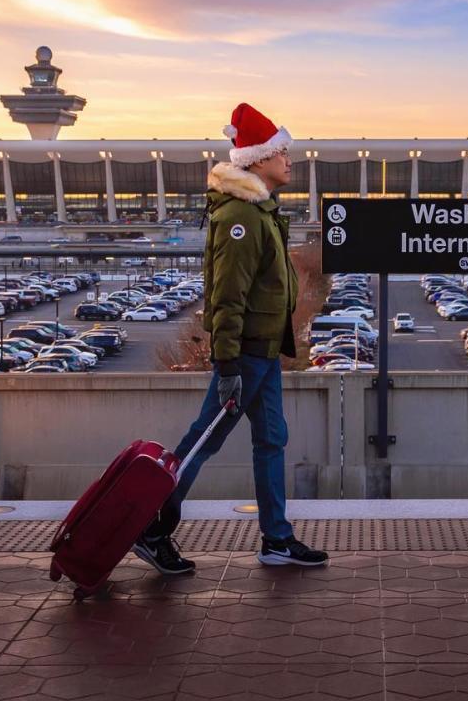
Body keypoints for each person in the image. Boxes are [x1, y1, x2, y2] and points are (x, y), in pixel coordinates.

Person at [131, 102, 329, 574]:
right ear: (258, 159)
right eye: (282, 152)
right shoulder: (242, 217)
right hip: (244, 358)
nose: (289, 161)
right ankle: (151, 529)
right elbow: (226, 296)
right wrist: (227, 366)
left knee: (271, 440)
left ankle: (277, 540)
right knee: (202, 442)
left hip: (263, 353)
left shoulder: (260, 211)